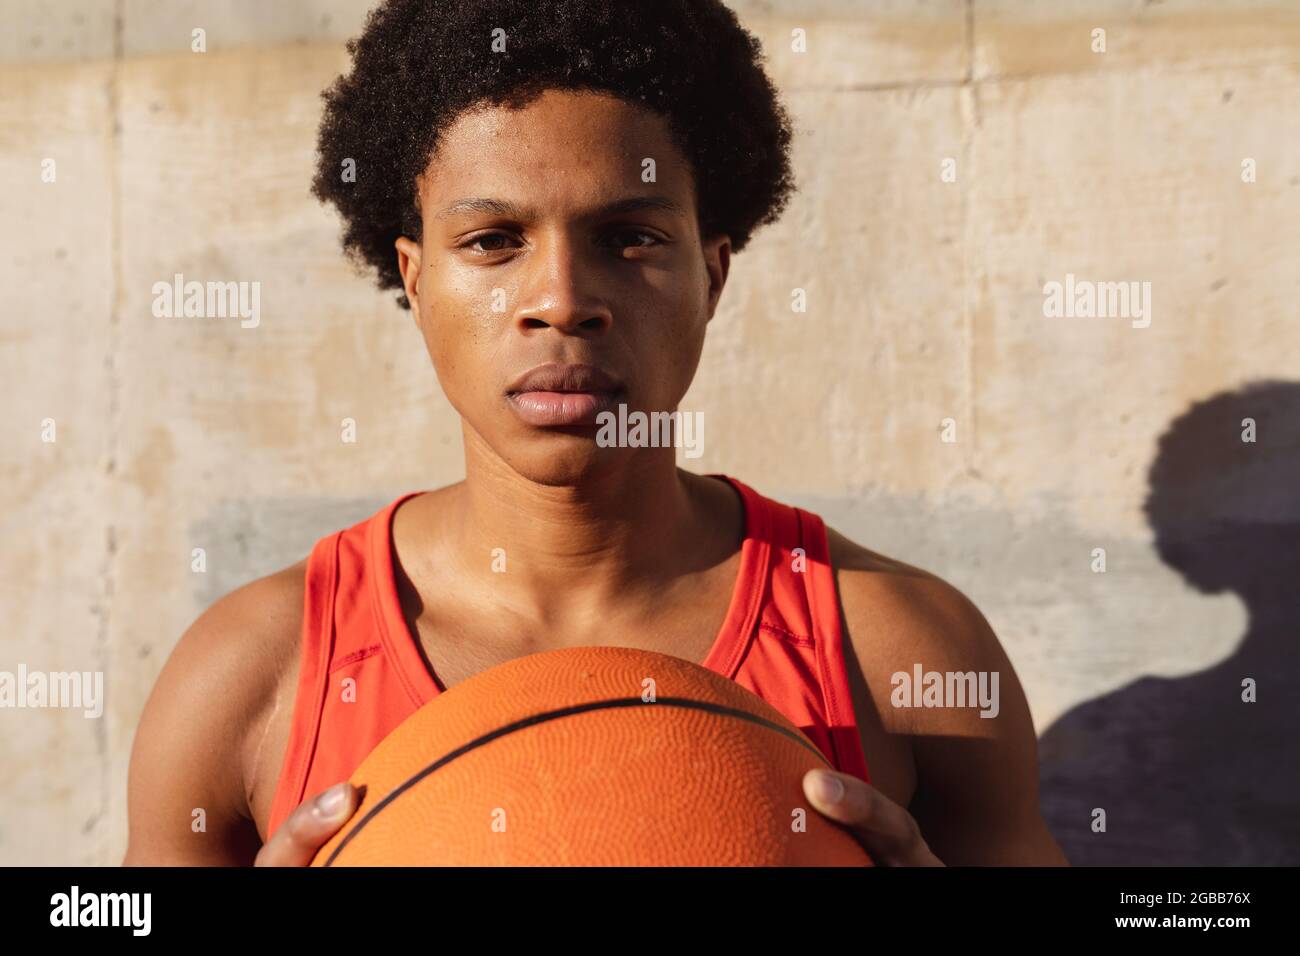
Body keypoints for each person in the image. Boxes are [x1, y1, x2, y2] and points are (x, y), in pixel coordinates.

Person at [124, 0, 1067, 866]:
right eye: (494, 240)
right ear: (413, 279)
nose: (563, 302)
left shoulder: (901, 649)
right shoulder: (253, 675)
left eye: (630, 237)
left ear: (714, 274)